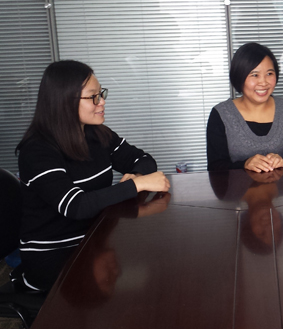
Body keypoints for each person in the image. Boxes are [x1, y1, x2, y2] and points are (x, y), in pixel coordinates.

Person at [15, 60, 170, 292]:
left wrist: (138, 175)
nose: (102, 102)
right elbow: (75, 205)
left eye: (101, 94)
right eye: (93, 97)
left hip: (95, 238)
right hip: (54, 252)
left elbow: (143, 159)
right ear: (64, 101)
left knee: (158, 262)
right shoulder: (37, 151)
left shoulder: (98, 134)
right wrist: (136, 185)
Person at [206, 42, 283, 173]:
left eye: (269, 74)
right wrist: (244, 165)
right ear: (239, 76)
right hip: (238, 187)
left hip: (282, 186)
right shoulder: (221, 114)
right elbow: (215, 168)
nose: (263, 82)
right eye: (255, 75)